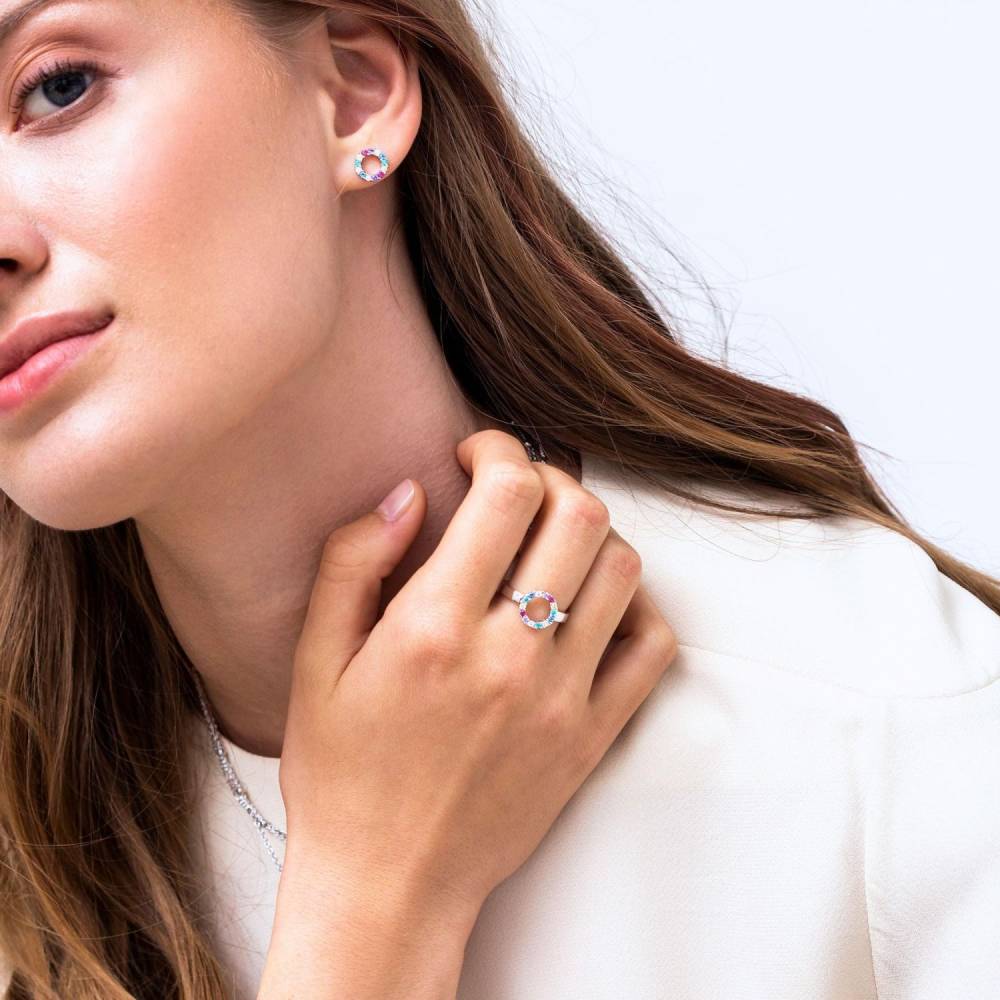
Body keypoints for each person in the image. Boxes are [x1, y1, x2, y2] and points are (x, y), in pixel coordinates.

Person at [0, 1, 996, 997]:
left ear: (354, 95)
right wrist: (369, 902)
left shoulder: (885, 730)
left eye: (56, 88)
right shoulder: (29, 827)